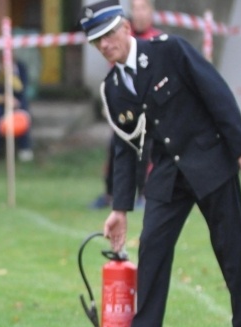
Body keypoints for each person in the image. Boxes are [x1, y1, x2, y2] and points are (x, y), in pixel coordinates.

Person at [80, 0, 241, 327]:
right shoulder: (113, 88)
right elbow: (124, 149)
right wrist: (120, 208)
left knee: (231, 249)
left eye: (107, 35)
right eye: (96, 41)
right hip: (167, 173)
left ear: (125, 28)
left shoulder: (170, 50)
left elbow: (217, 93)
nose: (104, 45)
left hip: (210, 161)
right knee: (152, 246)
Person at [89, 0, 161, 209]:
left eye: (143, 8)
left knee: (144, 152)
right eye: (135, 9)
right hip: (126, 110)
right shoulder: (116, 40)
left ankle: (143, 194)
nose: (138, 14)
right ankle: (111, 194)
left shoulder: (157, 40)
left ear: (151, 12)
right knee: (116, 148)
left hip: (149, 112)